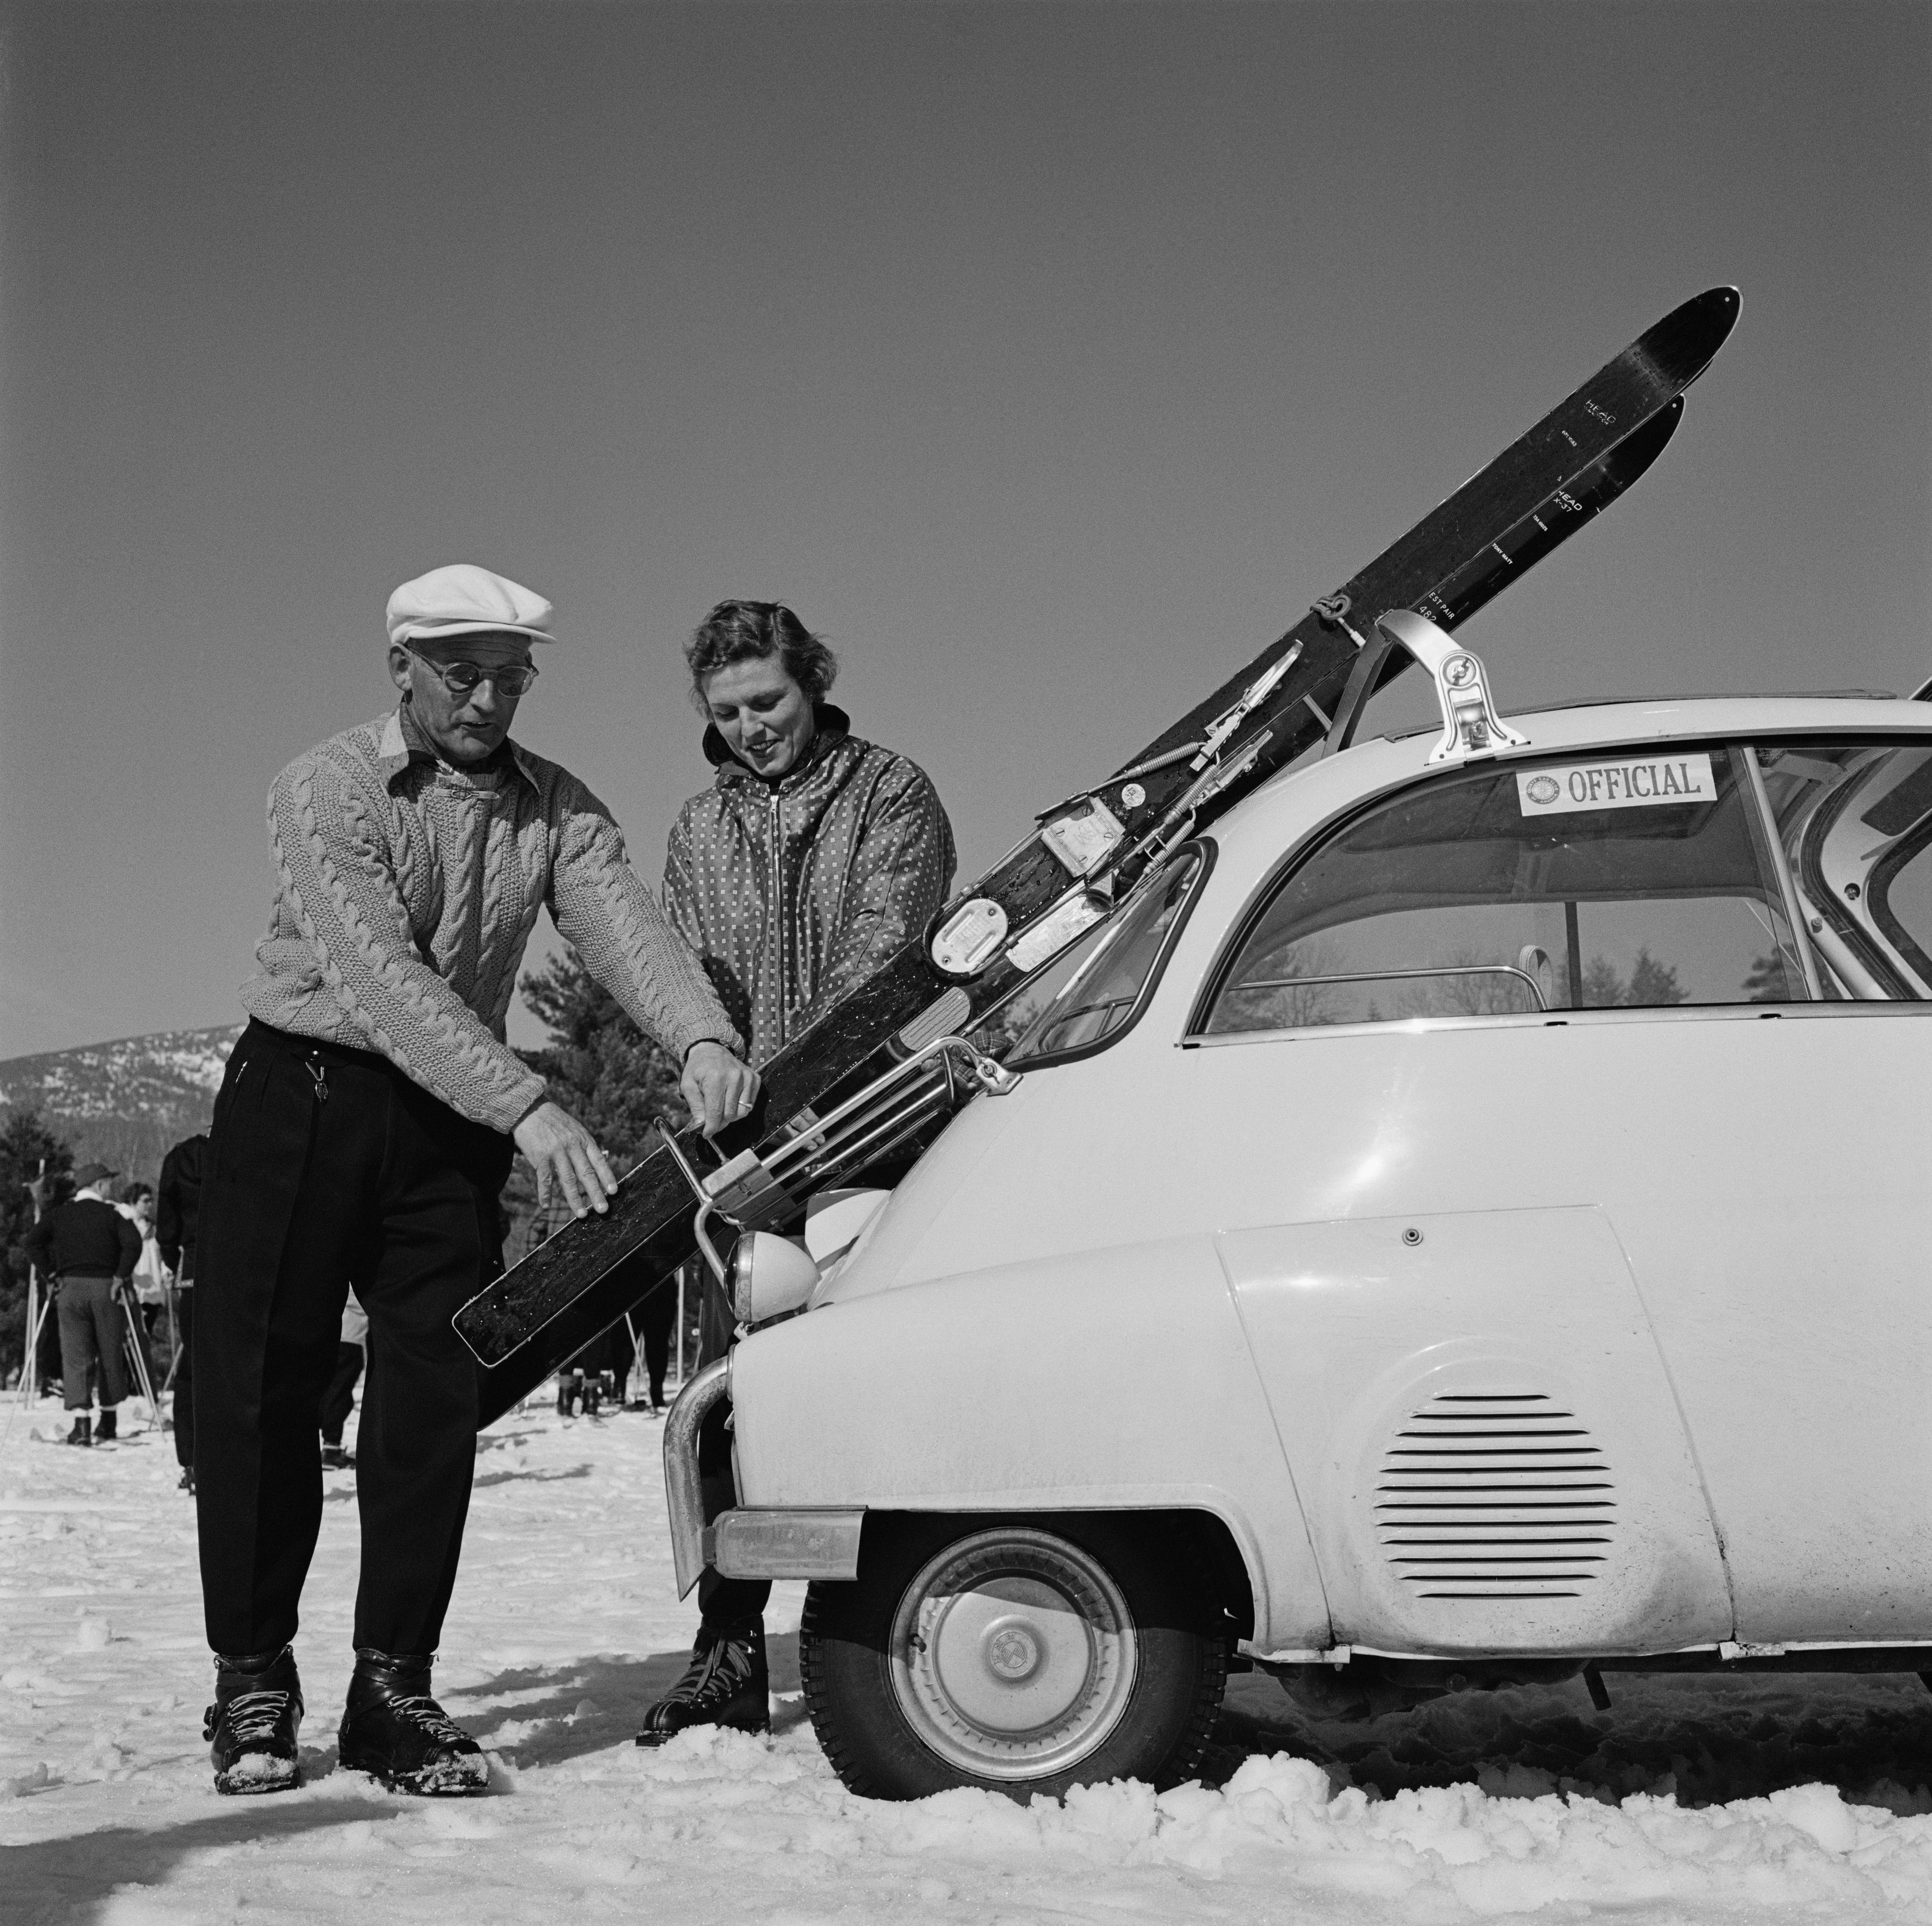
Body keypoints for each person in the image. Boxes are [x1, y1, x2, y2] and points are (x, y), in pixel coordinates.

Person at [195, 563, 760, 1799]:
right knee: (262, 1392)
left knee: (429, 1405)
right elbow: (378, 977)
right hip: (305, 1093)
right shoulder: (326, 784)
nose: (490, 700)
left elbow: (622, 923)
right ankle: (252, 1675)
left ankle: (393, 1684)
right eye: (464, 675)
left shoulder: (556, 805)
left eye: (512, 677)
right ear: (402, 668)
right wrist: (531, 1101)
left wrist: (703, 1034)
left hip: (446, 1132)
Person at [640, 599, 955, 1746]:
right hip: (746, 1152)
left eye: (767, 701)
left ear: (812, 683)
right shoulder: (696, 829)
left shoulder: (890, 793)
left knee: (867, 1369)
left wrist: (788, 1101)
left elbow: (884, 961)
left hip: (864, 1125)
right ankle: (727, 1647)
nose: (752, 727)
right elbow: (684, 976)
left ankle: (894, 1621)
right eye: (727, 712)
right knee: (739, 1386)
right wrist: (701, 1051)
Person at [24, 1162, 140, 1447]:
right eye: (108, 1182)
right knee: (110, 1353)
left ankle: (82, 1424)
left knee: (76, 1355)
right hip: (106, 1290)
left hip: (70, 1289)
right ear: (99, 1186)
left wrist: (50, 1273)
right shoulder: (114, 1215)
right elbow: (134, 1244)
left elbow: (32, 1243)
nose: (111, 1187)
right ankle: (109, 1421)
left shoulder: (59, 1215)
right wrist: (121, 1276)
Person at [157, 1131, 207, 1492]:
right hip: (245, 1271)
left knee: (191, 1370)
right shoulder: (248, 1143)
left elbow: (167, 1223)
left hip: (193, 1269)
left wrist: (175, 1258)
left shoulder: (182, 1156)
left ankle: (192, 1459)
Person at [319, 1292, 367, 1469]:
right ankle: (331, 1449)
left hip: (333, 1336)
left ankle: (330, 1446)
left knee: (331, 1392)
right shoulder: (355, 1279)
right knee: (340, 1395)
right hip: (349, 1338)